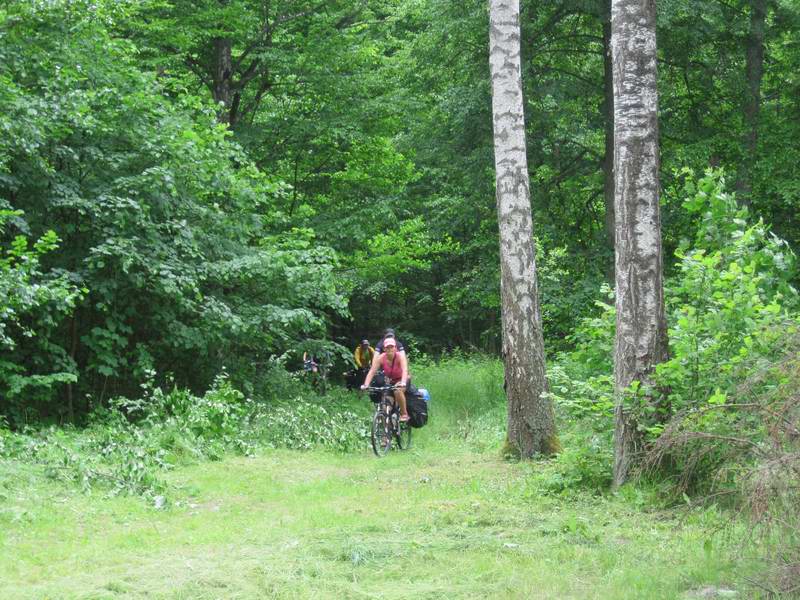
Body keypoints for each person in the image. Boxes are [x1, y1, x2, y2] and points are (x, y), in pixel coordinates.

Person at [361, 336, 411, 421]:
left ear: (395, 348)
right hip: (391, 381)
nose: (390, 349)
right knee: (385, 407)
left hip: (403, 379)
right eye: (387, 347)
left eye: (392, 347)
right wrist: (366, 384)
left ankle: (404, 414)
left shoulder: (400, 356)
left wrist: (403, 382)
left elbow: (405, 370)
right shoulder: (381, 358)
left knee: (397, 391)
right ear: (384, 349)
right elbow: (372, 371)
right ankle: (387, 430)